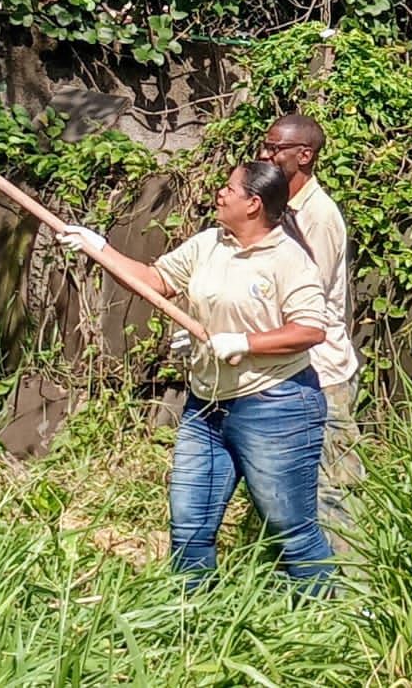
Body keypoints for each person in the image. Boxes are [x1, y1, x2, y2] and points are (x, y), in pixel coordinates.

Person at [58, 161, 336, 593]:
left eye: (229, 189)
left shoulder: (288, 260)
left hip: (275, 406)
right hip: (206, 407)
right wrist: (99, 249)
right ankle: (192, 615)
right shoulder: (209, 244)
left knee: (289, 527)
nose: (220, 194)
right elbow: (155, 281)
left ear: (253, 204)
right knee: (189, 523)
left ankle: (323, 612)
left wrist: (244, 342)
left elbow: (310, 330)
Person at [257, 113, 364, 547]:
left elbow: (306, 296)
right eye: (264, 145)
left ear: (305, 155)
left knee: (335, 487)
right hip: (292, 366)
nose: (264, 154)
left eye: (274, 148)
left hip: (323, 371)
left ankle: (353, 576)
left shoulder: (317, 216)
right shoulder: (280, 207)